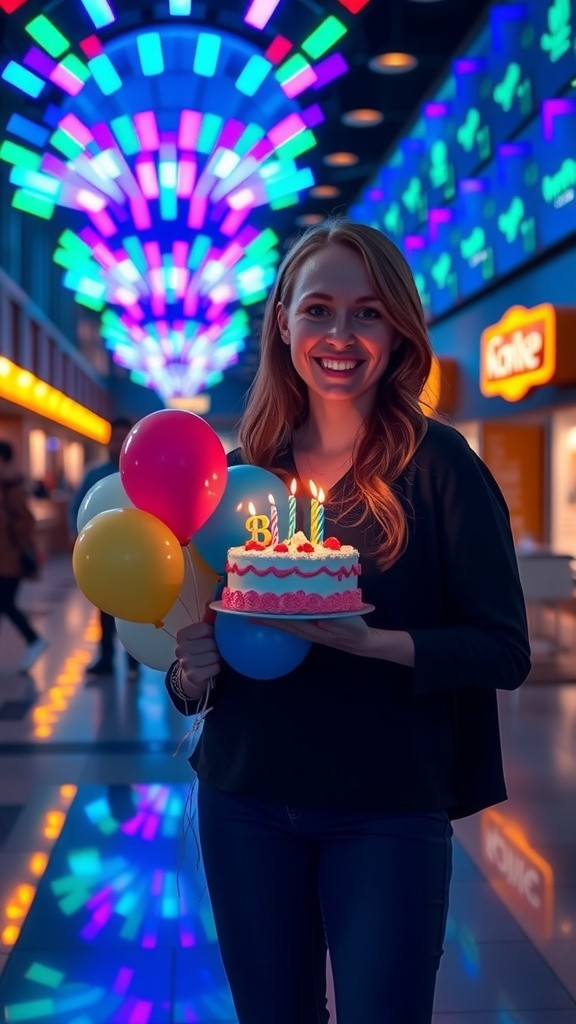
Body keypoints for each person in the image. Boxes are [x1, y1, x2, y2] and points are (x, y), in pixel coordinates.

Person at [165, 218, 531, 1024]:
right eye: (319, 309)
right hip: (247, 799)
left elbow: (504, 649)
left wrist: (372, 645)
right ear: (285, 322)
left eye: (367, 312)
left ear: (398, 329)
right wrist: (190, 668)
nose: (341, 334)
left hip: (387, 805)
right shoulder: (239, 479)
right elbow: (191, 676)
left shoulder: (441, 469)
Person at [69, 416, 140, 681]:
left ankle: (134, 661)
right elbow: (76, 508)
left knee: (135, 610)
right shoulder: (95, 475)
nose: (119, 444)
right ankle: (106, 659)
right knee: (105, 610)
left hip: (137, 556)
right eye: (116, 438)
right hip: (103, 558)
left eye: (124, 438)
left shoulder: (141, 471)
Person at [0, 440, 49, 673]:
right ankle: (33, 640)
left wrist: (9, 526)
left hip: (10, 559)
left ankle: (34, 640)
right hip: (5, 558)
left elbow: (26, 520)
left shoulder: (11, 488)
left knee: (5, 603)